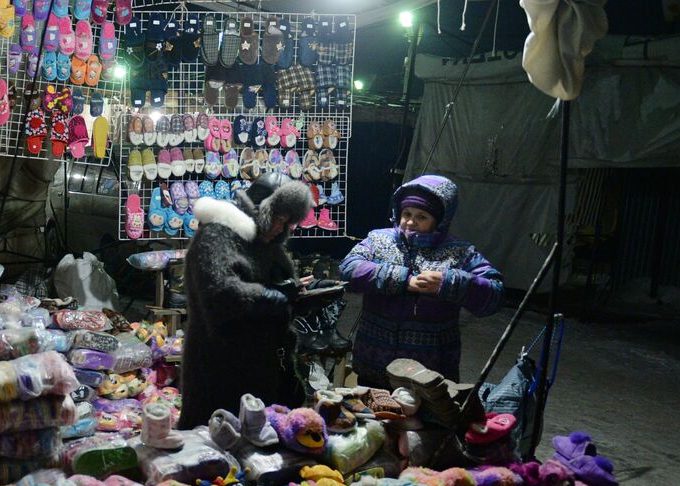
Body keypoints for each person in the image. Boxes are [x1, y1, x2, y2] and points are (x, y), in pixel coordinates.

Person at [339, 174, 503, 389]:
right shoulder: (379, 240)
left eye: (422, 216)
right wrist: (401, 279)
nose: (410, 221)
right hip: (374, 361)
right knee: (372, 418)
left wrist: (450, 282)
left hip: (430, 370)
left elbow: (494, 295)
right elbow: (349, 269)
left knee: (426, 420)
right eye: (406, 213)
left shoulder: (460, 252)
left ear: (440, 219)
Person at [178, 174, 315, 428]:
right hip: (218, 367)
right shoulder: (217, 234)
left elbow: (280, 289)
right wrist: (273, 297)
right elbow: (220, 294)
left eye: (286, 222)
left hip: (261, 368)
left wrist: (301, 295)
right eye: (278, 218)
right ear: (261, 209)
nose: (278, 227)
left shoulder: (268, 244)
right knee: (213, 445)